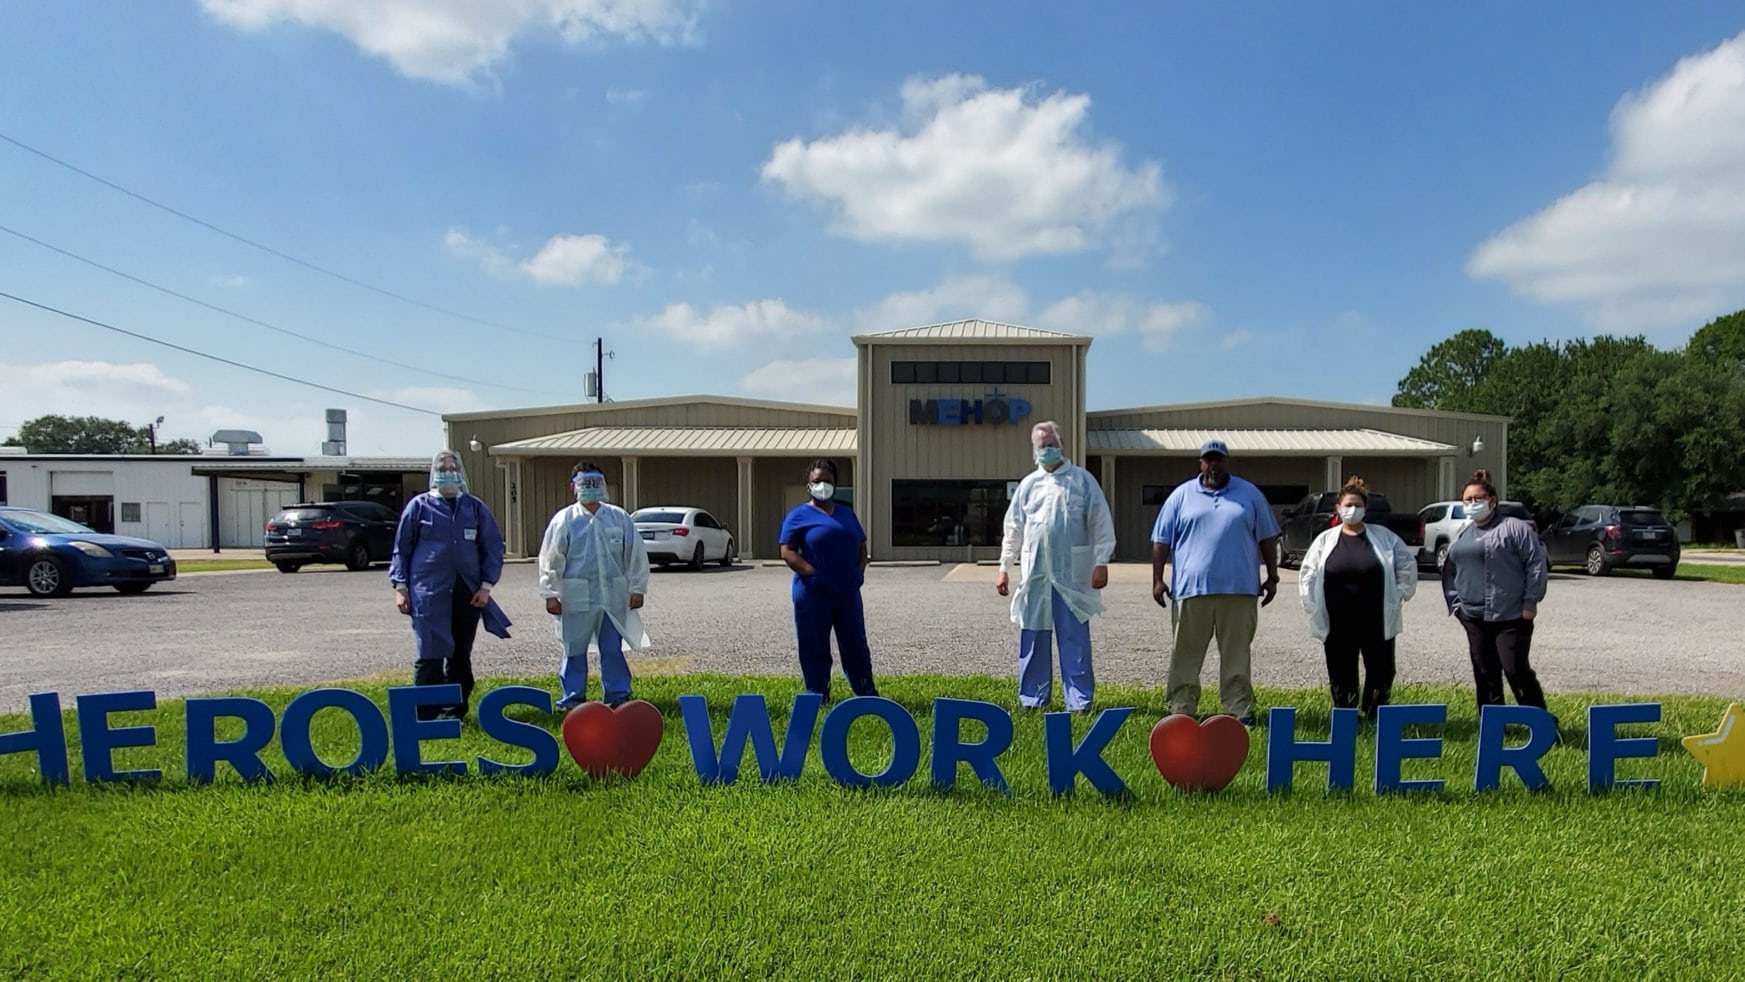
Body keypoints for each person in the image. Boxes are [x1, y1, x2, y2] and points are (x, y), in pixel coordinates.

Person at [1150, 439, 1281, 727]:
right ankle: (1181, 710)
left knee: (1237, 655)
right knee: (1185, 654)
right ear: (1200, 463)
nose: (1213, 464)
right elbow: (1161, 541)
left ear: (1227, 461)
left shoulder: (1250, 494)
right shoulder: (1181, 496)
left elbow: (1267, 537)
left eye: (1218, 459)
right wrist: (1158, 579)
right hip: (1190, 590)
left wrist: (1272, 576)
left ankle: (1239, 711)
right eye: (1208, 459)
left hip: (1240, 590)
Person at [995, 420, 1117, 713]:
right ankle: (1033, 699)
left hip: (1072, 577)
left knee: (1074, 639)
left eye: (1051, 444)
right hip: (1036, 576)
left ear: (1061, 445)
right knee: (1034, 637)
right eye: (1042, 446)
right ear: (1034, 450)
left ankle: (1079, 701)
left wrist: (1102, 561)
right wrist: (1004, 567)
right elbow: (1013, 528)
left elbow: (1100, 522)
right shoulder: (1028, 486)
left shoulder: (1081, 481)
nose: (1047, 450)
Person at [388, 450, 509, 721]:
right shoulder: (419, 506)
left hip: (468, 592)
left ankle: (454, 712)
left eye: (452, 467)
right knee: (430, 652)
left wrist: (486, 586)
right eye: (441, 468)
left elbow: (491, 547)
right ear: (433, 473)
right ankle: (426, 714)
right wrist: (400, 587)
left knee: (459, 653)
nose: (447, 472)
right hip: (428, 592)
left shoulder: (475, 507)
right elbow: (401, 549)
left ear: (460, 472)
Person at [1297, 476, 1418, 719]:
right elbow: (1308, 574)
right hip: (1337, 621)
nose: (1352, 510)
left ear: (1365, 508)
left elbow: (1406, 564)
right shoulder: (1325, 540)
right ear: (1338, 508)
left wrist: (1400, 593)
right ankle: (1346, 716)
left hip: (1376, 620)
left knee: (1381, 671)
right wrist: (1311, 605)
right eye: (1348, 505)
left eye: (1357, 505)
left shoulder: (1384, 537)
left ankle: (1374, 715)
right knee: (1341, 671)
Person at [539, 462, 650, 710]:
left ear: (603, 484)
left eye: (595, 483)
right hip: (576, 597)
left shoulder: (618, 517)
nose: (590, 488)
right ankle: (573, 698)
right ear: (573, 487)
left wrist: (637, 587)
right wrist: (550, 593)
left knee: (611, 649)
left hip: (613, 596)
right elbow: (551, 558)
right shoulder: (565, 520)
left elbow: (635, 554)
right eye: (585, 484)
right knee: (574, 648)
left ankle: (618, 695)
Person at [1440, 469, 1550, 713]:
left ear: (1492, 500)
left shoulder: (1516, 528)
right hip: (1473, 617)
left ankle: (1542, 724)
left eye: (1477, 499)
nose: (1472, 504)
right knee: (1484, 673)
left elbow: (1535, 564)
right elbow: (1450, 570)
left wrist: (1530, 603)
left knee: (1515, 670)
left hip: (1510, 616)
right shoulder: (1463, 533)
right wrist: (1457, 606)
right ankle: (1492, 728)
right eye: (1467, 500)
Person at [779, 458, 878, 701]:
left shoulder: (846, 514)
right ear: (808, 485)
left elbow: (861, 546)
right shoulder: (798, 516)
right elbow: (787, 551)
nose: (822, 485)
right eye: (817, 481)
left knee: (855, 644)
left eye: (828, 481)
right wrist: (811, 573)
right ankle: (817, 695)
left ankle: (866, 693)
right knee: (814, 646)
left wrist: (858, 573)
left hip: (846, 592)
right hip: (813, 593)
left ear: (836, 484)